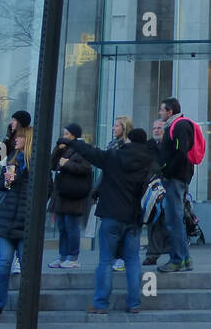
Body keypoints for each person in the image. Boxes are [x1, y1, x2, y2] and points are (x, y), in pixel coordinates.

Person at [61, 127, 157, 314]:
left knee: (105, 261)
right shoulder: (149, 161)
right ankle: (134, 303)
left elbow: (90, 152)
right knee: (132, 261)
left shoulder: (114, 157)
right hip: (134, 217)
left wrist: (71, 142)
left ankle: (101, 303)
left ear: (128, 140)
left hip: (112, 215)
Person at [0, 127, 32, 318]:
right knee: (3, 263)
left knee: (26, 266)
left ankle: (27, 305)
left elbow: (47, 188)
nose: (15, 140)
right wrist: (8, 178)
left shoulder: (35, 162)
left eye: (19, 137)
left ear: (27, 140)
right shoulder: (12, 159)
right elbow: (2, 186)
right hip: (8, 219)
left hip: (25, 220)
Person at [157, 98, 197, 272]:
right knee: (176, 219)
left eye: (162, 110)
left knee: (173, 220)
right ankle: (185, 258)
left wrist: (165, 170)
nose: (160, 113)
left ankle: (176, 259)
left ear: (170, 111)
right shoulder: (176, 126)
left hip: (175, 178)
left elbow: (181, 154)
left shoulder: (179, 126)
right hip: (176, 178)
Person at [47, 123, 92, 269]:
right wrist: (57, 149)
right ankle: (63, 255)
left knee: (71, 226)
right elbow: (52, 165)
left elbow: (85, 168)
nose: (63, 136)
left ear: (73, 136)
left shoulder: (80, 150)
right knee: (62, 227)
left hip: (72, 194)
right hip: (61, 194)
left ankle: (72, 256)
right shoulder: (63, 149)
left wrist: (67, 164)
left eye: (66, 134)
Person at [106, 116, 133, 269]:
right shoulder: (112, 144)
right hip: (110, 189)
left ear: (124, 128)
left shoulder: (126, 146)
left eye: (116, 126)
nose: (113, 128)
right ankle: (115, 255)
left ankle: (121, 257)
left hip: (121, 191)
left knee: (120, 226)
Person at [143, 120, 169, 264]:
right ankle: (152, 253)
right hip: (153, 188)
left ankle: (167, 247)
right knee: (154, 220)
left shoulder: (169, 146)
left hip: (168, 185)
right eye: (154, 128)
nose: (156, 130)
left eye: (159, 128)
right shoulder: (149, 146)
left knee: (168, 220)